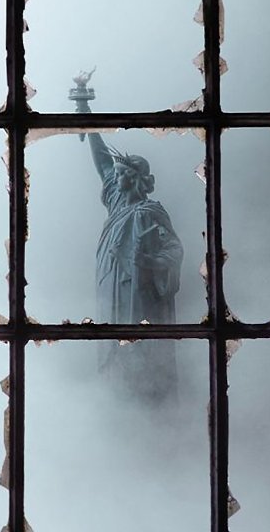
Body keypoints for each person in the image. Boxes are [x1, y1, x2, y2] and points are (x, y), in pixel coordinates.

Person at [88, 133, 183, 403]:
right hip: (111, 290)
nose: (115, 178)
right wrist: (87, 121)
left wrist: (148, 262)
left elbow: (174, 250)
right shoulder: (117, 205)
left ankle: (146, 393)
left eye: (121, 174)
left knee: (138, 349)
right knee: (113, 348)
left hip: (138, 292)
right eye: (117, 174)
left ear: (133, 178)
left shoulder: (149, 212)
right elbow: (103, 164)